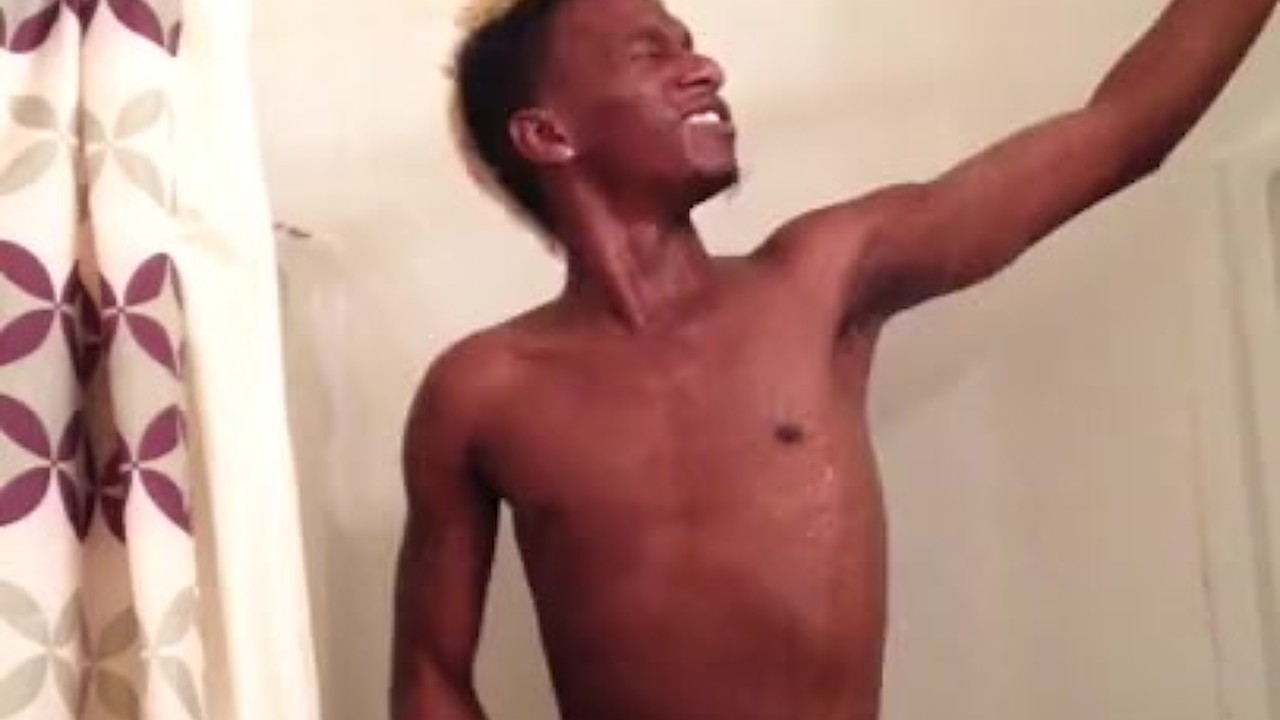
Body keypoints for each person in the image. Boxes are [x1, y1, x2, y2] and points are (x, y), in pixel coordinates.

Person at [391, 0, 1276, 717]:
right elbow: (430, 678)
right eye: (649, 53)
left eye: (689, 44)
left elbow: (1123, 129)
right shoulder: (481, 392)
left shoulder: (819, 281)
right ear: (547, 135)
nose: (705, 69)